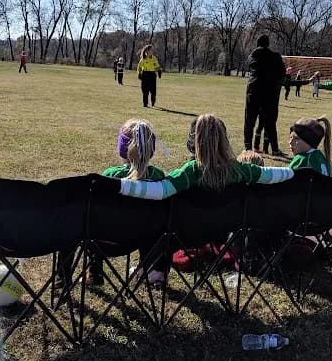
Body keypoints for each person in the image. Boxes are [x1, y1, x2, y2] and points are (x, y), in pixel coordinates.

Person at [118, 114, 294, 200]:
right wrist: (297, 173)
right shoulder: (240, 169)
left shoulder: (190, 172)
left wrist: (113, 184)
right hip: (226, 230)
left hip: (193, 235)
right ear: (225, 141)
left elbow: (160, 191)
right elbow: (273, 174)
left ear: (194, 143)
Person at [93, 119, 165, 285]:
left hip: (106, 241)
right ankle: (150, 268)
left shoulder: (109, 176)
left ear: (122, 148)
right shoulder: (159, 177)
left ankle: (94, 272)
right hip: (145, 240)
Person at [243, 35, 286, 156]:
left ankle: (248, 147)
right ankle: (275, 149)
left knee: (249, 120)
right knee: (270, 122)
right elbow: (282, 74)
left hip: (253, 90)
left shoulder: (252, 56)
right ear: (268, 44)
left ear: (257, 44)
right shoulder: (276, 56)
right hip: (270, 92)